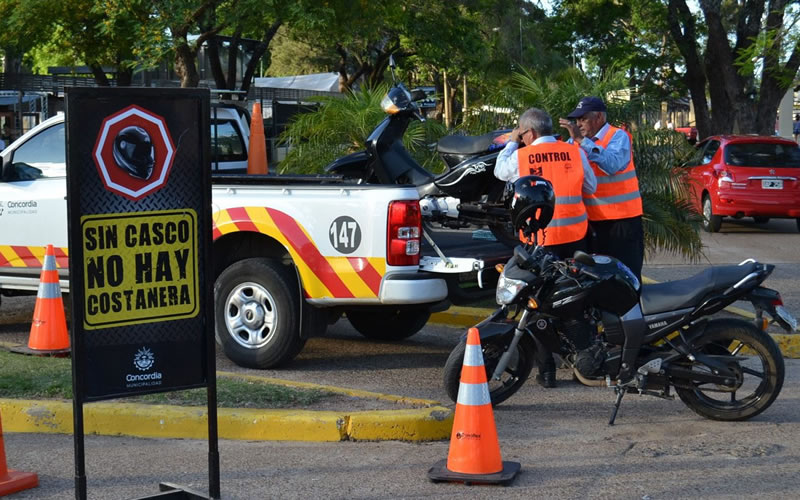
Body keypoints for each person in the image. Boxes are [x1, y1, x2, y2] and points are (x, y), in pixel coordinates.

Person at [495, 107, 597, 388]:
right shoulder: (574, 151)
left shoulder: (521, 155)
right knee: (577, 299)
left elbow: (499, 171)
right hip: (576, 238)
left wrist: (512, 140)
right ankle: (585, 363)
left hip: (541, 242)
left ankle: (547, 370)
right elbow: (591, 186)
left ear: (530, 132)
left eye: (522, 133)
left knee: (537, 304)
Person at [558, 96, 644, 282]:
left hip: (622, 222)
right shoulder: (575, 143)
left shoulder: (618, 136)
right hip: (592, 222)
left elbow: (612, 164)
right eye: (576, 120)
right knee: (597, 277)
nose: (578, 124)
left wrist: (582, 141)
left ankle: (633, 310)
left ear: (598, 117)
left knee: (627, 276)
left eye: (583, 119)